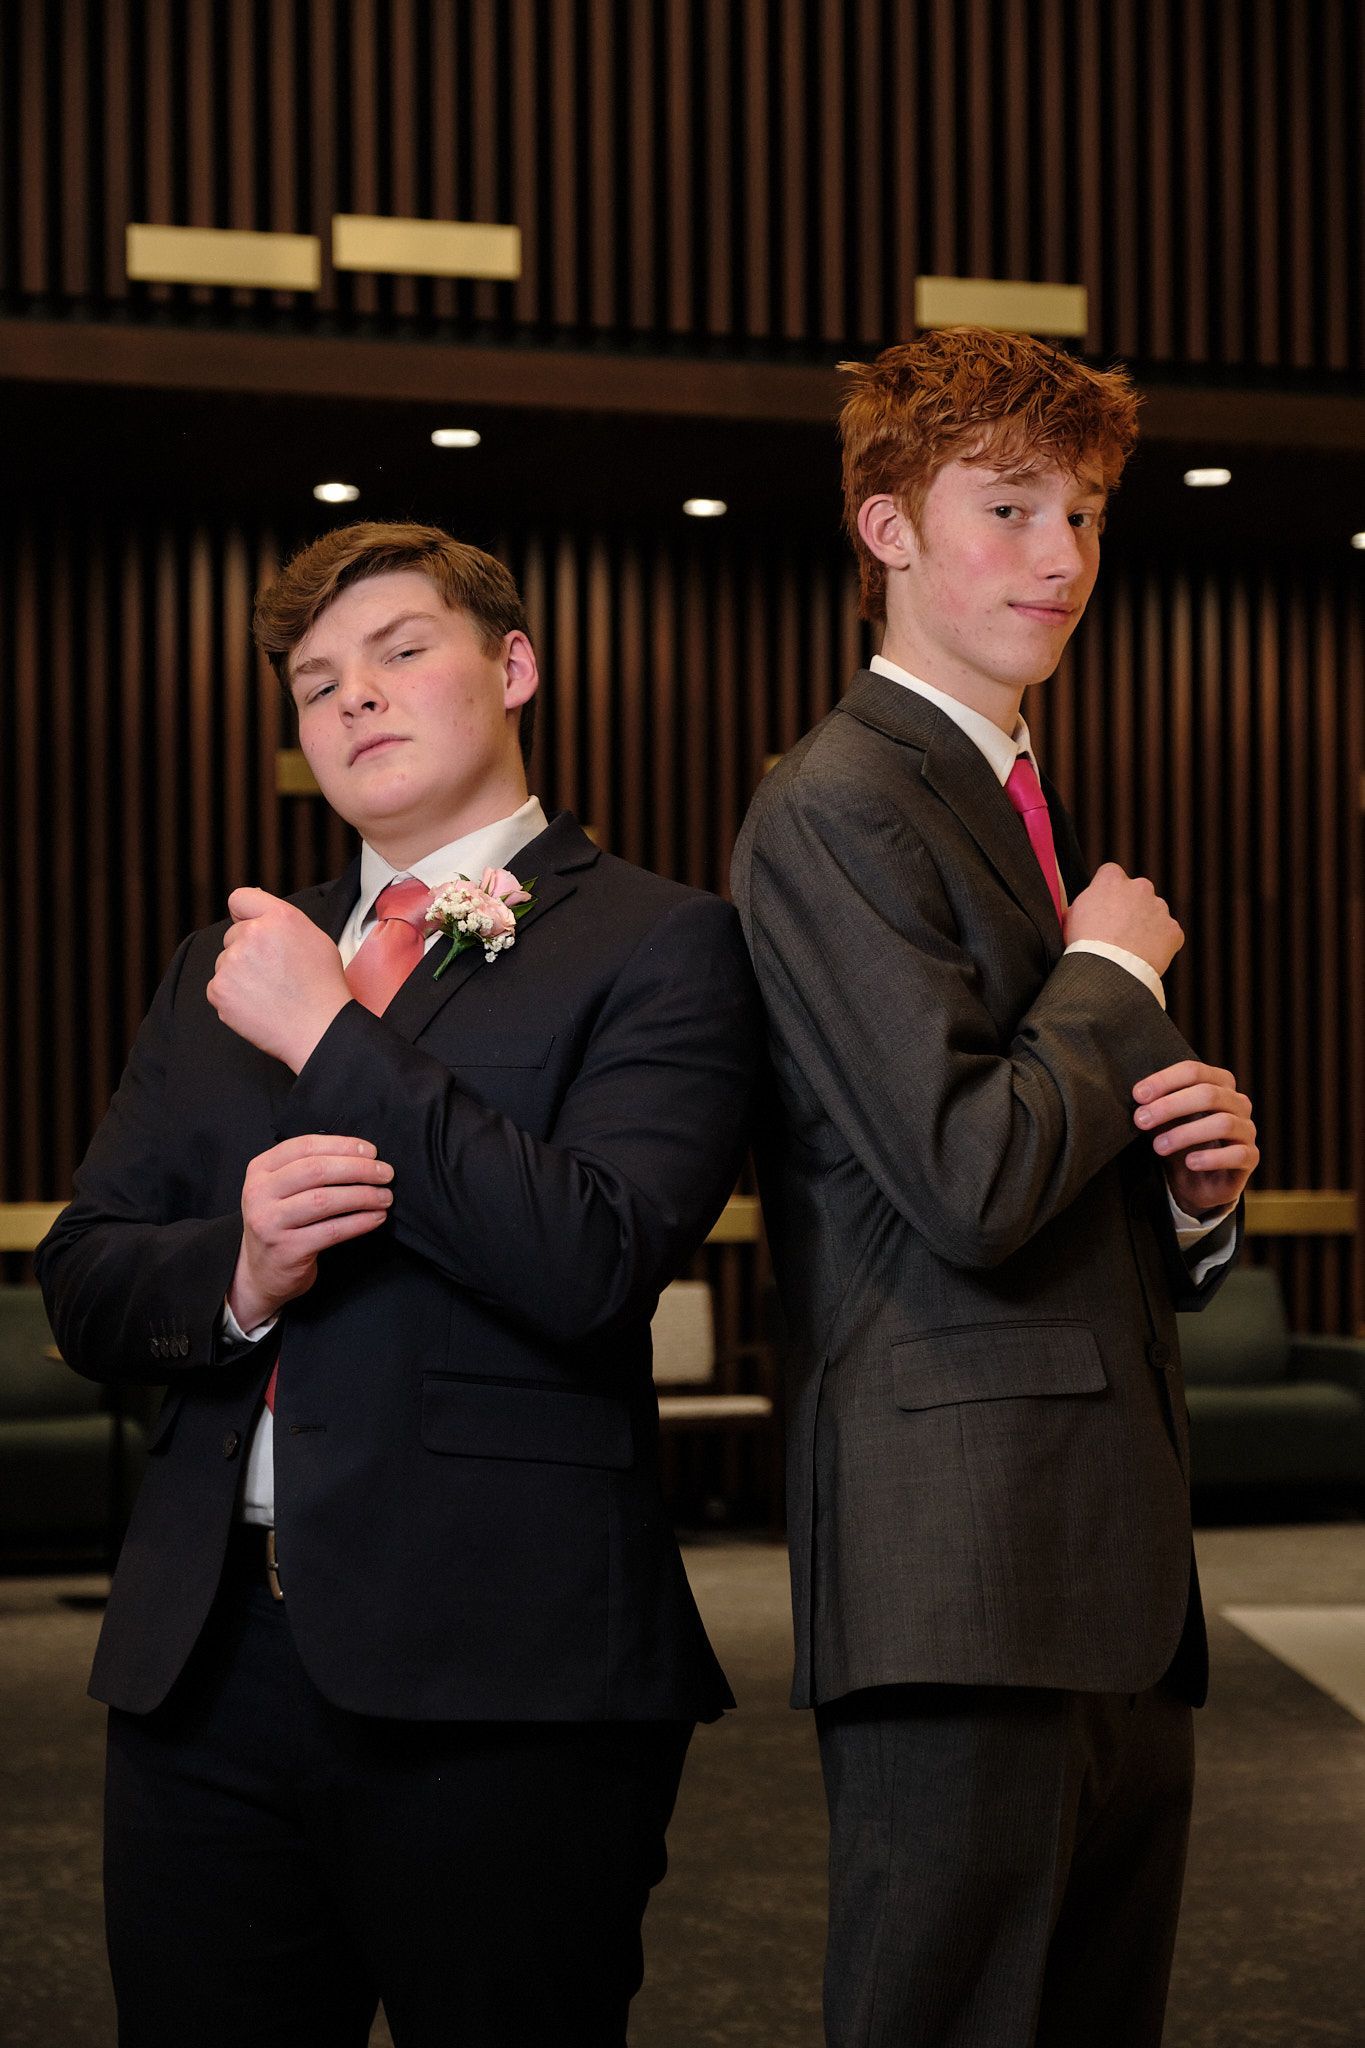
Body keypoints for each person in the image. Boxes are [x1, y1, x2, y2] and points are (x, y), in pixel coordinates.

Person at [37, 520, 761, 2048]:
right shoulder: (221, 965)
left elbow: (593, 1259)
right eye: (315, 683)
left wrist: (329, 1037)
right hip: (204, 1669)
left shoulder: (663, 941)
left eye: (398, 651)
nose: (352, 698)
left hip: (506, 1676)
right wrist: (235, 1268)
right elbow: (88, 1280)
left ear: (513, 669)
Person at [731, 328, 1259, 2048]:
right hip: (956, 1568)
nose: (1060, 556)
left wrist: (1189, 1190)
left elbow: (1037, 1162)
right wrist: (1108, 975)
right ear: (886, 530)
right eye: (1009, 506)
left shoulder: (996, 793)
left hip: (1092, 1570)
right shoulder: (835, 802)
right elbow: (966, 1177)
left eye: (1087, 514)